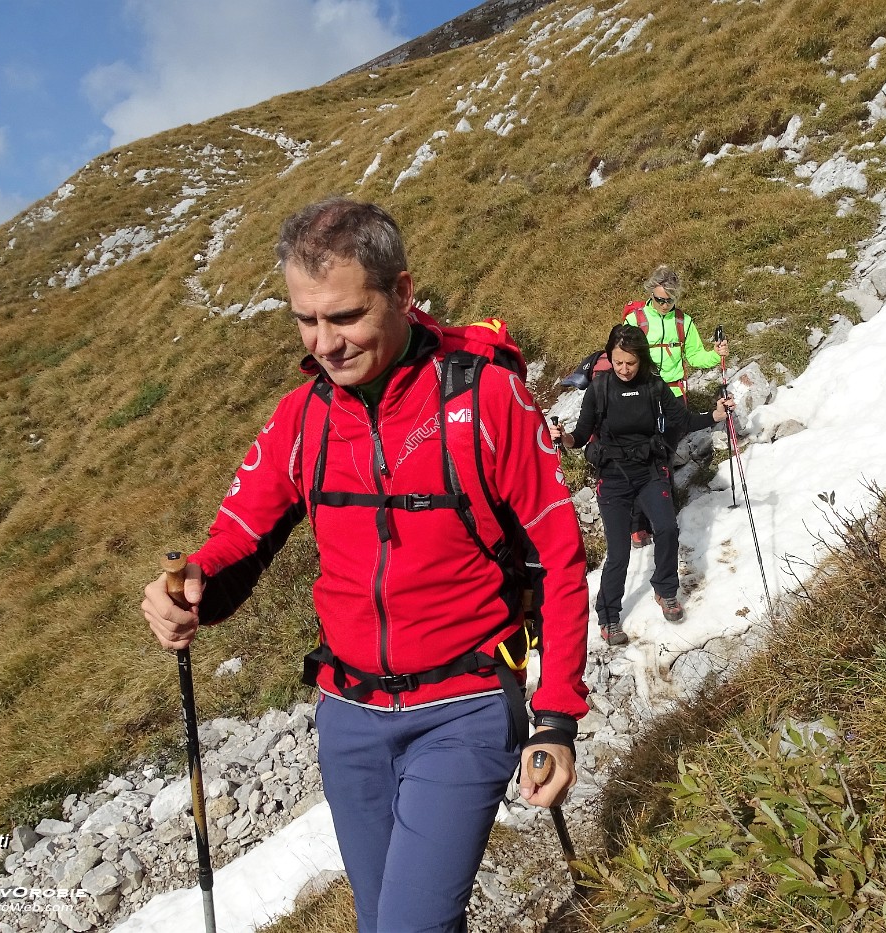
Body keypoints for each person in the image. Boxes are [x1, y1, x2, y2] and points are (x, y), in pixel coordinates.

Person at [142, 198, 590, 933]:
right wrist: (192, 586)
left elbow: (558, 562)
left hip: (465, 701)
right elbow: (237, 538)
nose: (324, 342)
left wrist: (557, 717)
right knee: (381, 921)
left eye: (345, 316)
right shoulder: (302, 417)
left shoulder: (486, 398)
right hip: (348, 716)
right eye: (304, 319)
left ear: (403, 293)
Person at [551, 324, 733, 644]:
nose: (623, 369)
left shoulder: (654, 386)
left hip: (650, 470)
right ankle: (608, 615)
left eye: (630, 363)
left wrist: (715, 415)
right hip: (613, 477)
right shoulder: (600, 387)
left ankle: (665, 590)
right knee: (619, 552)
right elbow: (580, 436)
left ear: (641, 359)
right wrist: (565, 438)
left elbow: (684, 420)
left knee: (666, 528)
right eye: (617, 362)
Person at [622, 264, 729, 548]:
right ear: (650, 294)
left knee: (665, 456)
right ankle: (638, 524)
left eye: (670, 300)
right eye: (659, 300)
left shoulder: (684, 322)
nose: (665, 305)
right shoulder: (635, 320)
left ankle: (662, 516)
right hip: (644, 394)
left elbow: (694, 356)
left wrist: (715, 355)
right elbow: (625, 359)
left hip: (673, 396)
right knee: (644, 457)